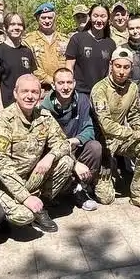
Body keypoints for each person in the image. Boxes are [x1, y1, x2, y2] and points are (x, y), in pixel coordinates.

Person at [0, 74, 75, 233]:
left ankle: (41, 206)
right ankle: (9, 211)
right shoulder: (3, 121)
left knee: (66, 162)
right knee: (24, 216)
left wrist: (50, 156)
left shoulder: (44, 116)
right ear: (15, 93)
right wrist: (25, 197)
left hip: (33, 176)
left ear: (40, 94)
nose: (30, 96)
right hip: (7, 183)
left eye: (34, 92)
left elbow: (63, 143)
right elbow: (1, 165)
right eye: (25, 91)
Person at [90, 49, 140, 210]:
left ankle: (138, 194)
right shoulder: (100, 89)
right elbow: (106, 125)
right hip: (101, 144)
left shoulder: (132, 88)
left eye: (126, 67)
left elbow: (134, 116)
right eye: (118, 66)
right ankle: (98, 176)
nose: (121, 71)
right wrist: (136, 133)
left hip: (121, 140)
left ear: (131, 68)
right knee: (106, 199)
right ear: (110, 65)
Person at [40, 67, 102, 210]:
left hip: (76, 146)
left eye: (69, 82)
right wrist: (74, 163)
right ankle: (62, 189)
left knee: (95, 147)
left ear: (74, 83)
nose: (66, 87)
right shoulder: (45, 108)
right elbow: (47, 144)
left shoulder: (82, 101)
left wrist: (74, 140)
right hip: (55, 153)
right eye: (61, 83)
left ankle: (81, 188)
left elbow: (89, 129)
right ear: (53, 85)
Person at [0, 13, 37, 114]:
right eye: (12, 24)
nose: (16, 27)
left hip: (26, 105)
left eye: (19, 24)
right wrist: (0, 109)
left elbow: (31, 78)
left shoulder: (27, 51)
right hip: (7, 106)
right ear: (5, 28)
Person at [65, 3, 116, 94]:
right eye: (95, 16)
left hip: (102, 93)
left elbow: (110, 71)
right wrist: (69, 87)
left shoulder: (111, 43)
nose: (99, 20)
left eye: (103, 16)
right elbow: (69, 67)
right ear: (90, 17)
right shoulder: (77, 39)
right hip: (80, 92)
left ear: (108, 19)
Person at [23, 2, 69, 90]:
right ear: (37, 19)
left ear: (54, 18)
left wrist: (62, 81)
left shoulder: (65, 40)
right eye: (43, 18)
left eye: (50, 18)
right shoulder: (28, 41)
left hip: (64, 87)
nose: (47, 21)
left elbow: (69, 63)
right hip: (41, 89)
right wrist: (52, 80)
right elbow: (31, 67)